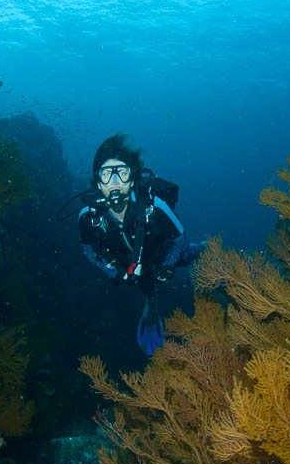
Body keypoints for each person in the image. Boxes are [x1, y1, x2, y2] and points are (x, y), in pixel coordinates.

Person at [79, 134, 205, 354]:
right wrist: (112, 271)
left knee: (187, 255)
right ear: (98, 182)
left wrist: (167, 265)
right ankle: (150, 305)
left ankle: (206, 247)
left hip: (159, 253)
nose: (115, 182)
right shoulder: (88, 218)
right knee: (141, 280)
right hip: (126, 262)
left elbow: (180, 239)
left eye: (123, 173)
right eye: (107, 174)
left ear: (132, 178)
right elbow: (89, 249)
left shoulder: (154, 206)